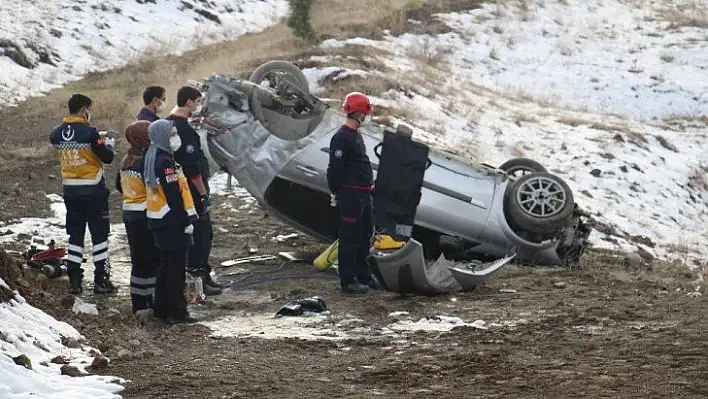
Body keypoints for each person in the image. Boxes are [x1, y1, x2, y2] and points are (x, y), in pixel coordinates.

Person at [49, 93, 117, 295]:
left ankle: (75, 282)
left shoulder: (56, 133)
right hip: (94, 190)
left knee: (75, 236)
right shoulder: (91, 133)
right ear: (83, 109)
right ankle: (101, 280)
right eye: (89, 109)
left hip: (70, 190)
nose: (90, 113)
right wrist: (109, 144)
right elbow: (107, 157)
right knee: (99, 236)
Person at [165, 86, 222, 296]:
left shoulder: (168, 123)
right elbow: (192, 169)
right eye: (197, 101)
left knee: (191, 232)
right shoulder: (185, 132)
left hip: (177, 189)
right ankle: (198, 277)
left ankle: (199, 274)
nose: (199, 106)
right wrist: (203, 194)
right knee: (202, 233)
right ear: (189, 102)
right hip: (191, 190)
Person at [144, 119, 198, 324]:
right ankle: (177, 311)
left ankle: (161, 308)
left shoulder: (153, 155)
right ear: (163, 136)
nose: (176, 138)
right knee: (175, 268)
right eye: (173, 134)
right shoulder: (165, 161)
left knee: (166, 266)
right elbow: (174, 195)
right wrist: (185, 220)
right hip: (171, 221)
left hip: (160, 220)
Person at [326, 92, 379, 294]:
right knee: (350, 237)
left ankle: (363, 275)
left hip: (364, 194)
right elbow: (335, 169)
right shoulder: (341, 138)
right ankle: (348, 280)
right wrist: (335, 191)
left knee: (365, 235)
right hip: (351, 195)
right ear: (360, 113)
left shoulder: (356, 136)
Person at [115, 120, 161, 318]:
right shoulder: (145, 161)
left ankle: (138, 302)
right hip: (144, 215)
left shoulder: (127, 159)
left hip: (129, 213)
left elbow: (119, 186)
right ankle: (148, 302)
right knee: (150, 259)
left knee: (138, 260)